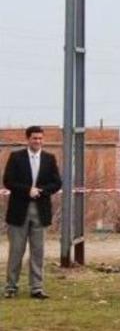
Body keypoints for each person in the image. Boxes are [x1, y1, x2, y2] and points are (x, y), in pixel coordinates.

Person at [3, 126, 62, 299]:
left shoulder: (49, 159)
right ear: (28, 139)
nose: (37, 141)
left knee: (38, 251)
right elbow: (8, 181)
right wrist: (27, 190)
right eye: (34, 138)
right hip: (19, 211)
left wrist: (41, 191)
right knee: (16, 251)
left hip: (40, 211)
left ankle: (36, 287)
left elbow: (57, 183)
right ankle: (11, 286)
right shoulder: (16, 157)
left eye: (40, 138)